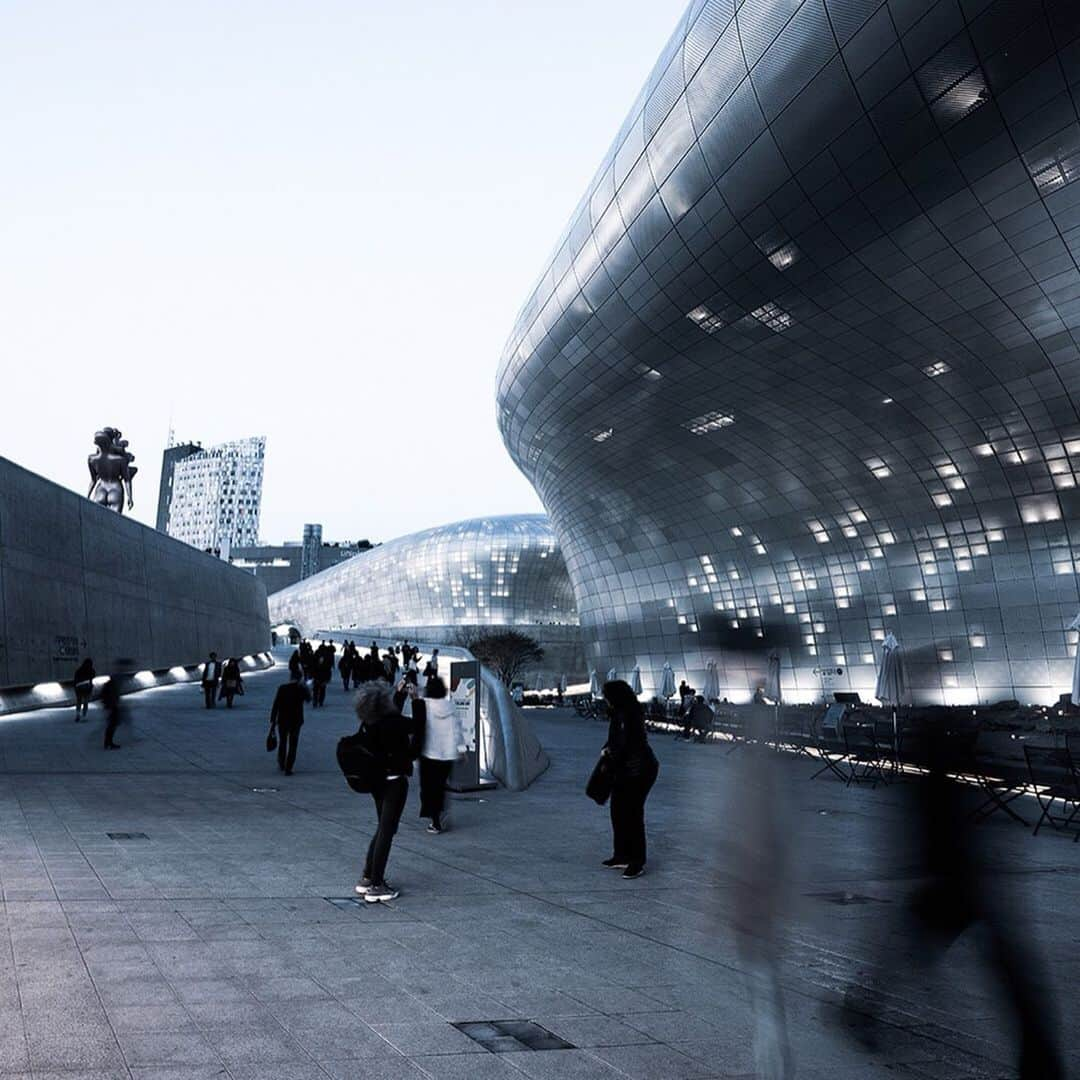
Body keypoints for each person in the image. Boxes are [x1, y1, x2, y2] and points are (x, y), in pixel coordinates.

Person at [353, 681, 416, 903]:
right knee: (387, 831)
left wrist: (400, 695)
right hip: (395, 782)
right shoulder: (395, 723)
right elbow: (418, 726)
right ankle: (377, 885)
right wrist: (416, 700)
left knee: (383, 828)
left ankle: (367, 877)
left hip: (377, 783)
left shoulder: (370, 722)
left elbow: (393, 719)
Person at [599, 679, 659, 879]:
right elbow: (616, 739)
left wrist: (611, 752)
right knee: (617, 811)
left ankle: (637, 861)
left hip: (639, 770)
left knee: (632, 814)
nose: (604, 699)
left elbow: (628, 743)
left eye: (606, 695)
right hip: (624, 769)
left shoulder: (630, 714)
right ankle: (621, 855)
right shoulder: (619, 713)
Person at [399, 676, 464, 834]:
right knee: (440, 786)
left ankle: (435, 819)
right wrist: (461, 749)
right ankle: (440, 813)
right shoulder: (451, 707)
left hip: (429, 754)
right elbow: (457, 730)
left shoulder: (424, 705)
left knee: (428, 788)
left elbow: (415, 724)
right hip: (447, 755)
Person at [269, 673, 310, 775]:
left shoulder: (283, 688)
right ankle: (289, 767)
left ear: (290, 678)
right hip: (296, 721)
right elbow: (309, 699)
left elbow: (276, 704)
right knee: (293, 744)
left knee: (283, 742)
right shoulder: (301, 689)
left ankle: (282, 763)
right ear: (300, 679)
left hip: (283, 719)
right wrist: (305, 687)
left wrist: (273, 719)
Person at [101, 676, 122, 749]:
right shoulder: (110, 686)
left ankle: (108, 742)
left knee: (112, 724)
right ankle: (109, 742)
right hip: (112, 706)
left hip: (111, 706)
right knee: (112, 724)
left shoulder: (109, 685)